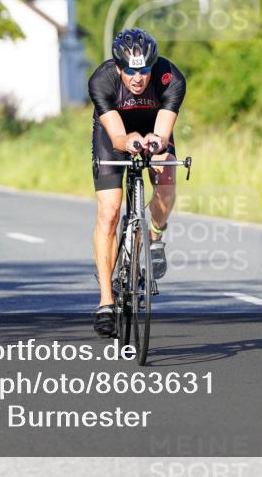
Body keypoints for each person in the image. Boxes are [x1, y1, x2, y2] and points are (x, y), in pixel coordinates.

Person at [88, 28, 186, 337]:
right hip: (114, 135)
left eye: (144, 70)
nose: (138, 78)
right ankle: (106, 301)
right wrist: (128, 140)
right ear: (118, 67)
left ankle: (154, 236)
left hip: (153, 129)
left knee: (167, 177)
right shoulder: (102, 80)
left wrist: (156, 143)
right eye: (130, 71)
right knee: (110, 211)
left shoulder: (170, 78)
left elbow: (163, 132)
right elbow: (118, 136)